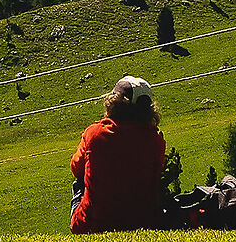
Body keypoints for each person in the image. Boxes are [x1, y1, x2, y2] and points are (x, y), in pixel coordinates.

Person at [69, 75, 167, 233]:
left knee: (80, 178)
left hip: (91, 225)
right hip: (142, 222)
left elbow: (76, 168)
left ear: (113, 103)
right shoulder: (156, 141)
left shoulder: (94, 133)